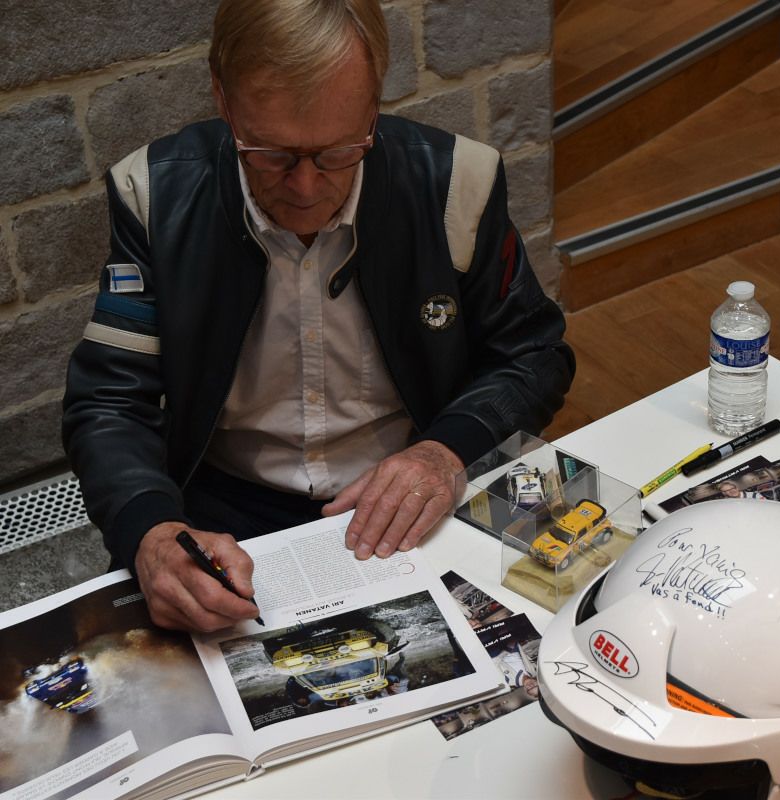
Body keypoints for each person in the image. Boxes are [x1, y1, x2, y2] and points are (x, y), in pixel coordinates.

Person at [62, 0, 575, 633]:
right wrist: (150, 529)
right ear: (223, 99)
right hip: (226, 507)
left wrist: (445, 451)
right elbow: (110, 400)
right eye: (271, 154)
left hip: (417, 482)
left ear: (373, 105)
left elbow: (534, 354)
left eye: (338, 152)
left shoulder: (455, 184)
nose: (305, 190)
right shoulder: (154, 195)